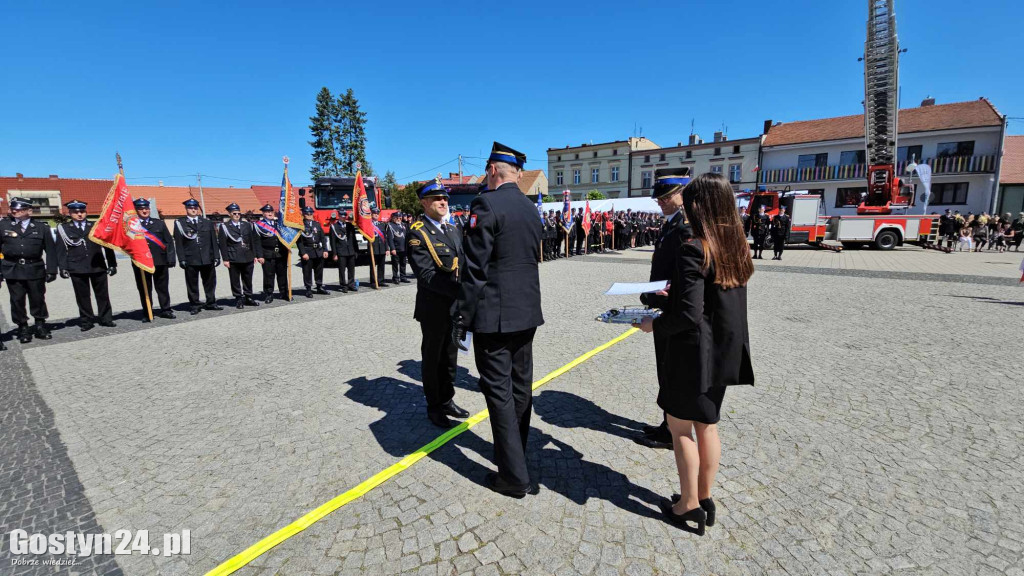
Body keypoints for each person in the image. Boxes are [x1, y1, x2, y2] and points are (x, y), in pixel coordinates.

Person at [636, 173, 754, 536]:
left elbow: (687, 315)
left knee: (680, 428)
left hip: (692, 353)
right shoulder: (735, 245)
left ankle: (686, 506)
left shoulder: (695, 246)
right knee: (708, 424)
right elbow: (707, 299)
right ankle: (704, 497)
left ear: (698, 205)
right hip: (723, 350)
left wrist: (653, 325)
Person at [454, 142, 543, 498]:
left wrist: (461, 316)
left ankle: (512, 476)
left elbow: (475, 270)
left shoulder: (485, 204)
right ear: (515, 173)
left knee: (499, 393)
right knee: (521, 388)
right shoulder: (529, 207)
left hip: (495, 316)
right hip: (526, 312)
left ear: (492, 170)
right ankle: (516, 455)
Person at [636, 168, 693, 450]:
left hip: (671, 309)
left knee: (670, 372)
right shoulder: (671, 223)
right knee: (665, 370)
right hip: (661, 304)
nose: (660, 201)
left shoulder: (683, 226)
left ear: (681, 195)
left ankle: (672, 430)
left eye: (666, 197)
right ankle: (667, 423)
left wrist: (660, 293)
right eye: (659, 197)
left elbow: (683, 275)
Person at [407, 179, 470, 429]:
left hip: (454, 306)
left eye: (445, 198)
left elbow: (462, 264)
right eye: (436, 199)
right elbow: (426, 275)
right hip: (433, 308)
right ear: (424, 203)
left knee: (450, 357)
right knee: (433, 359)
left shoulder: (453, 229)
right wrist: (461, 290)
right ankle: (434, 406)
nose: (443, 202)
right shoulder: (417, 232)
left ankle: (447, 399)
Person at [0, 197, 57, 344]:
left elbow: (50, 250)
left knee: (38, 299)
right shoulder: (3, 226)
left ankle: (40, 325)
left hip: (35, 268)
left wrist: (52, 270)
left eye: (19, 209)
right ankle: (23, 327)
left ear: (29, 211)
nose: (15, 211)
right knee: (17, 300)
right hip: (13, 268)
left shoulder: (41, 227)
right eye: (13, 209)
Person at [55, 200, 117, 330]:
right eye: (75, 212)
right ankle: (86, 321)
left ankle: (106, 318)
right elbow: (60, 250)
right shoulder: (64, 229)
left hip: (97, 265)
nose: (79, 214)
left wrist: (112, 263)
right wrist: (63, 267)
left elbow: (107, 246)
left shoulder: (95, 226)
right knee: (82, 296)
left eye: (82, 211)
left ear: (86, 212)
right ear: (70, 213)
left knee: (102, 294)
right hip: (77, 267)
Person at [174, 199, 221, 314]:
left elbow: (213, 241)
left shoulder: (207, 222)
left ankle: (211, 302)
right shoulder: (180, 223)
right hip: (191, 258)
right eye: (191, 208)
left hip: (207, 257)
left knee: (210, 282)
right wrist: (182, 259)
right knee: (192, 284)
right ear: (186, 209)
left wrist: (216, 256)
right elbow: (179, 243)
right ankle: (194, 304)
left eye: (195, 208)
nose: (193, 210)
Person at [132, 199, 176, 321]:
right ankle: (147, 312)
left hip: (160, 261)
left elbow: (168, 241)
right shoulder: (132, 226)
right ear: (136, 210)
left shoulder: (159, 223)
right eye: (141, 209)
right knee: (145, 289)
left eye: (146, 208)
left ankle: (166, 309)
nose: (144, 211)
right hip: (141, 263)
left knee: (162, 287)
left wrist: (171, 258)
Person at [218, 203, 260, 309]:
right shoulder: (225, 227)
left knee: (248, 278)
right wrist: (225, 259)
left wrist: (254, 255)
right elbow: (223, 244)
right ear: (230, 214)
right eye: (234, 213)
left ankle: (248, 296)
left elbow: (252, 240)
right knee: (235, 280)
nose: (237, 215)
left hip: (248, 256)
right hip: (234, 257)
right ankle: (238, 298)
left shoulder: (246, 225)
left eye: (238, 213)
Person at [253, 204, 290, 303]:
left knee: (282, 274)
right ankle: (269, 294)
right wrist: (259, 255)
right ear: (263, 213)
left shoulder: (279, 223)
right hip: (267, 253)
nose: (269, 213)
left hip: (281, 253)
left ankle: (284, 292)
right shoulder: (258, 225)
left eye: (271, 211)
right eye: (267, 212)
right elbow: (257, 242)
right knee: (269, 275)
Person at [296, 206, 329, 298]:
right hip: (307, 251)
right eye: (307, 213)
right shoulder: (300, 225)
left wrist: (325, 250)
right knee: (307, 271)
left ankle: (319, 287)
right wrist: (303, 253)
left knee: (319, 270)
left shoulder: (316, 224)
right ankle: (308, 289)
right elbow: (299, 242)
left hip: (318, 251)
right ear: (303, 214)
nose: (309, 215)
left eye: (311, 213)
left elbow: (323, 238)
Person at [330, 212, 358, 292]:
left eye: (344, 216)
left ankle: (351, 284)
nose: (343, 218)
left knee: (351, 269)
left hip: (351, 251)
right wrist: (334, 254)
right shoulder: (334, 227)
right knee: (342, 270)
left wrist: (356, 250)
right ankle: (343, 285)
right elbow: (333, 242)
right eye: (342, 216)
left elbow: (354, 239)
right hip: (341, 251)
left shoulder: (350, 225)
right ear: (338, 216)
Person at [386, 211, 411, 285]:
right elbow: (390, 239)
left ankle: (403, 277)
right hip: (396, 248)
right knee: (395, 264)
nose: (399, 219)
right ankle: (395, 278)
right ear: (393, 218)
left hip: (403, 248)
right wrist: (392, 248)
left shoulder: (403, 225)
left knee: (403, 263)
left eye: (400, 217)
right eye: (397, 218)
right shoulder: (390, 225)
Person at [366, 208, 388, 288]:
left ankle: (381, 280)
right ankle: (373, 281)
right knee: (373, 266)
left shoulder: (382, 224)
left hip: (381, 248)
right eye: (375, 213)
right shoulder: (368, 224)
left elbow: (384, 238)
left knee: (381, 265)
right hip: (373, 248)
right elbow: (365, 237)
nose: (376, 215)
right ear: (371, 214)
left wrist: (387, 249)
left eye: (377, 214)